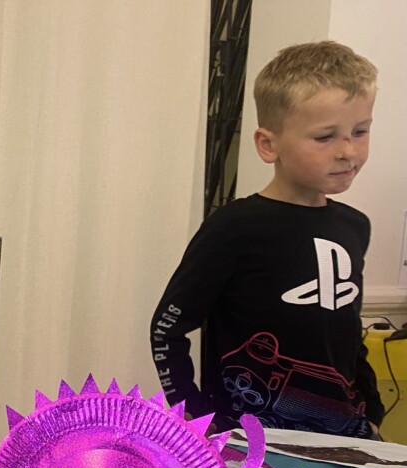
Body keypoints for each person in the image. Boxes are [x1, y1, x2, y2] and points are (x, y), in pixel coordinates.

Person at [151, 41, 382, 439]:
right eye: (325, 137)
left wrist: (373, 411)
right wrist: (194, 418)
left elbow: (346, 332)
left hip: (345, 438)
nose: (348, 151)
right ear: (268, 144)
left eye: (360, 132)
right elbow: (167, 329)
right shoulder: (235, 227)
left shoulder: (355, 226)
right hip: (251, 443)